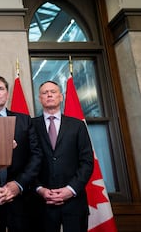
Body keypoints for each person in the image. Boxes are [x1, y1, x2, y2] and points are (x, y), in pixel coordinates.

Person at [0, 75, 42, 232]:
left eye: (1, 88)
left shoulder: (24, 120)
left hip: (21, 199)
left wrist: (18, 184)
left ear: (7, 94)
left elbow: (36, 156)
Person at [31, 80, 94, 232]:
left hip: (74, 202)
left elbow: (87, 162)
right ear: (40, 99)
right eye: (45, 93)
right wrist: (39, 189)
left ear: (61, 96)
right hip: (41, 203)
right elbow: (27, 162)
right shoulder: (30, 126)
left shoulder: (77, 125)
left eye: (53, 91)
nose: (49, 95)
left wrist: (70, 189)